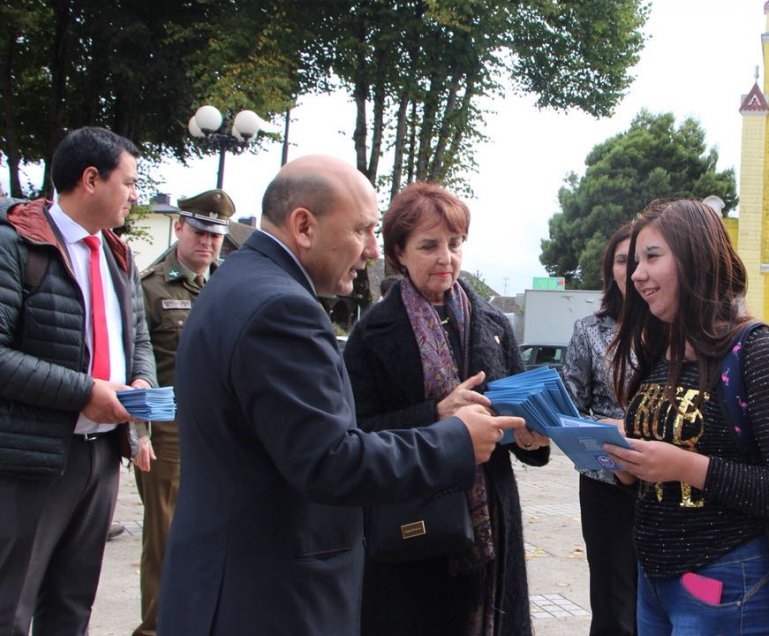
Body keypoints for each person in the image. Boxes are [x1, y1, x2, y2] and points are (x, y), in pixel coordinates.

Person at [158, 156, 524, 636]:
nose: (370, 250)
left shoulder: (236, 283)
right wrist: (454, 437)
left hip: (232, 582)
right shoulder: (283, 309)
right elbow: (331, 459)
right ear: (305, 226)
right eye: (361, 231)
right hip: (270, 597)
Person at [604, 199, 769, 636]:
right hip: (654, 577)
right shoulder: (659, 351)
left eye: (652, 257)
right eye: (635, 261)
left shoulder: (755, 350)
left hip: (728, 581)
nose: (637, 274)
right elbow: (660, 473)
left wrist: (685, 466)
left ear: (695, 259)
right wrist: (625, 459)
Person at [343, 181, 550, 635]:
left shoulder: (492, 323)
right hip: (413, 521)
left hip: (491, 518)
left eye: (455, 244)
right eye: (429, 245)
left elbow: (519, 415)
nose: (446, 258)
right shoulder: (372, 335)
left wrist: (534, 438)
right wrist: (435, 416)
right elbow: (352, 434)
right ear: (398, 252)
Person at [0, 126, 157, 634]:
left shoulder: (120, 255)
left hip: (100, 458)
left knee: (72, 607)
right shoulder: (15, 246)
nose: (135, 195)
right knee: (11, 604)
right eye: (129, 182)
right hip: (31, 462)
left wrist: (139, 387)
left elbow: (140, 342)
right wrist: (85, 392)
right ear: (91, 179)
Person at [134, 188, 235, 636]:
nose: (207, 244)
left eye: (215, 236)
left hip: (220, 428)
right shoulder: (150, 287)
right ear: (179, 227)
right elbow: (136, 363)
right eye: (199, 232)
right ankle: (156, 628)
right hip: (170, 430)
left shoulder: (228, 285)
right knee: (166, 539)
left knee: (214, 536)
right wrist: (139, 432)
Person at [561, 223, 638, 636]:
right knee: (613, 608)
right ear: (610, 269)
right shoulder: (589, 330)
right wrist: (611, 436)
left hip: (665, 484)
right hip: (605, 483)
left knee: (658, 602)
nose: (632, 269)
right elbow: (571, 407)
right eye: (623, 260)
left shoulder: (674, 330)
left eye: (643, 258)